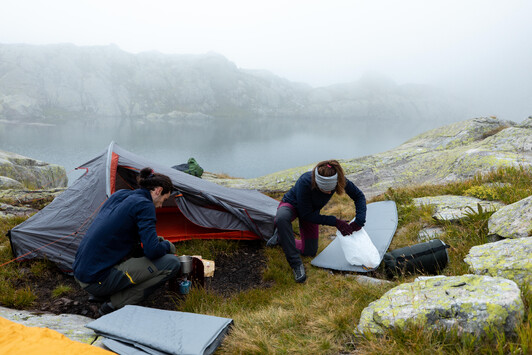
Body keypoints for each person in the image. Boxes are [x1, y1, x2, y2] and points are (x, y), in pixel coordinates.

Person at [73, 167, 181, 315]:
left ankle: (100, 294)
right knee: (171, 263)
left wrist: (156, 242)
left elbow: (129, 237)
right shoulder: (145, 205)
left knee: (150, 249)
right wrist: (167, 245)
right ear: (158, 190)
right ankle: (114, 304)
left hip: (82, 273)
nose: (161, 205)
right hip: (96, 280)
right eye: (164, 199)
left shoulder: (121, 195)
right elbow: (152, 251)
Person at [267, 160, 367, 283]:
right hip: (292, 205)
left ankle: (280, 238)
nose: (330, 192)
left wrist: (359, 221)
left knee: (309, 252)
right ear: (317, 183)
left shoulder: (339, 179)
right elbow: (306, 215)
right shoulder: (305, 181)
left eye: (332, 189)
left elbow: (359, 196)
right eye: (325, 190)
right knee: (281, 218)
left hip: (311, 212)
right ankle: (296, 264)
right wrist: (335, 222)